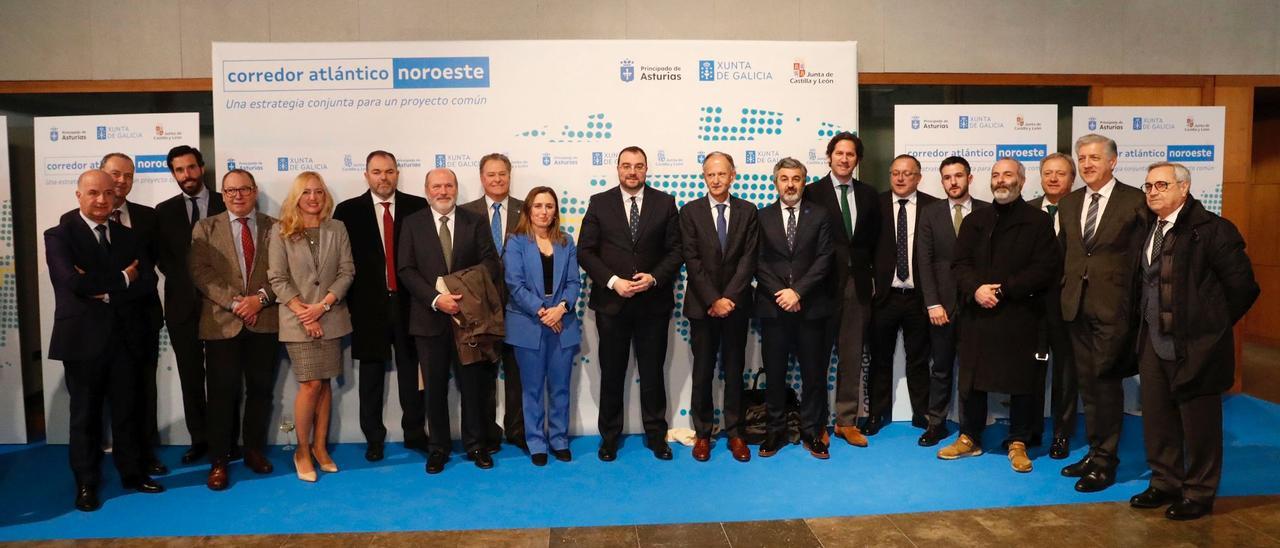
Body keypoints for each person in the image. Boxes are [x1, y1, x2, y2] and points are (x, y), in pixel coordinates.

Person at [1127, 162, 1258, 520]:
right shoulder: (1147, 230)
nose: (1153, 192)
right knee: (1157, 417)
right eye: (1149, 186)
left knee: (1198, 423)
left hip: (1197, 346)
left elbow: (1243, 288)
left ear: (1184, 189)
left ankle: (1199, 492)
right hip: (1152, 342)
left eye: (1162, 185)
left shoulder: (1213, 230)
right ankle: (1165, 481)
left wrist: (1210, 326)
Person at [46, 169, 165, 511]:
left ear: (115, 197)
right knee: (85, 416)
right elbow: (71, 282)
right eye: (93, 193)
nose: (101, 199)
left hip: (125, 337)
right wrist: (121, 279)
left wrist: (107, 288)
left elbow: (146, 283)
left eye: (108, 193)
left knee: (127, 411)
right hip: (82, 341)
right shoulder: (59, 235)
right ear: (79, 195)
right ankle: (86, 483)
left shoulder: (128, 236)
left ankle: (133, 473)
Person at [938, 158, 1059, 473]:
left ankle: (1018, 441)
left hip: (1020, 315)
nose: (1000, 180)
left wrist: (1003, 290)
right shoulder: (975, 220)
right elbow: (959, 264)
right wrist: (977, 289)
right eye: (995, 175)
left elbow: (1044, 268)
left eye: (1007, 174)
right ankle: (969, 436)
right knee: (972, 380)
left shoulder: (1039, 221)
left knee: (1022, 381)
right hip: (978, 314)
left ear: (1020, 179)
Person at [578, 145, 683, 462]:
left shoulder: (665, 203)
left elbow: (676, 251)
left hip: (653, 304)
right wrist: (613, 281)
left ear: (647, 169)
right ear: (618, 169)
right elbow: (585, 251)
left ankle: (656, 436)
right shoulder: (600, 203)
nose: (632, 171)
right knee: (611, 374)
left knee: (653, 374)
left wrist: (653, 278)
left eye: (638, 166)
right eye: (626, 165)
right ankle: (609, 438)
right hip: (612, 305)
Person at [1058, 133, 1150, 492]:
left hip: (1114, 309)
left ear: (1113, 161)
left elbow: (1145, 259)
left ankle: (1106, 461)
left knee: (1108, 386)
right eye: (1082, 158)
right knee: (1088, 386)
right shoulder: (1069, 203)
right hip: (1075, 307)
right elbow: (1067, 253)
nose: (1087, 164)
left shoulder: (1135, 201)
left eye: (1095, 157)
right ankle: (1096, 450)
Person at [398, 168, 502, 474]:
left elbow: (490, 264)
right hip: (429, 319)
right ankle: (438, 448)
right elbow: (406, 269)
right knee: (434, 389)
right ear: (427, 190)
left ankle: (476, 445)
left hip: (468, 322)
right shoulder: (413, 223)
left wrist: (462, 295)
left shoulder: (475, 221)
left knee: (473, 386)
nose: (443, 191)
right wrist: (436, 298)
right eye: (437, 186)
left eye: (448, 185)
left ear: (456, 188)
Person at [333, 150, 430, 462]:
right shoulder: (347, 211)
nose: (383, 177)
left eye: (389, 171)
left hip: (410, 306)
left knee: (411, 376)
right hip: (367, 309)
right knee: (371, 380)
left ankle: (415, 434)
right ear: (366, 175)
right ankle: (373, 439)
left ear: (397, 174)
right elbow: (340, 262)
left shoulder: (417, 207)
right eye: (377, 172)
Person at [189, 169, 280, 491]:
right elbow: (201, 273)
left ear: (254, 191)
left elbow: (282, 273)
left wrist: (259, 300)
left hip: (265, 322)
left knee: (260, 391)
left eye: (243, 189)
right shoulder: (205, 227)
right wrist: (236, 303)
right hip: (221, 324)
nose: (237, 196)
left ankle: (253, 450)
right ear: (223, 195)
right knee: (221, 395)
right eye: (230, 191)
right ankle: (219, 460)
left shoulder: (275, 228)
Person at [268, 172, 355, 481]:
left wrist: (323, 306)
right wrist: (305, 312)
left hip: (331, 315)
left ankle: (320, 447)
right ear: (296, 197)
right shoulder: (281, 231)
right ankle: (301, 451)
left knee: (326, 382)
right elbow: (277, 278)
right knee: (310, 384)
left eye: (319, 192)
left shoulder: (337, 228)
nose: (314, 197)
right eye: (306, 192)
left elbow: (347, 271)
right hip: (297, 320)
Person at [680, 152, 758, 462]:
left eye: (721, 174)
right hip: (703, 307)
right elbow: (692, 260)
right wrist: (714, 299)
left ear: (733, 175)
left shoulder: (748, 211)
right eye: (710, 175)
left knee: (735, 371)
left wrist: (729, 299)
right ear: (704, 177)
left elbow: (748, 260)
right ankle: (703, 433)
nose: (716, 180)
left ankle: (735, 432)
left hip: (736, 307)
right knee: (702, 372)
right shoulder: (690, 212)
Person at [803, 132, 879, 448]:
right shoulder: (811, 192)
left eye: (850, 154)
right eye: (839, 153)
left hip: (857, 285)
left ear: (857, 159)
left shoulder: (869, 194)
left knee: (851, 356)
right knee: (817, 357)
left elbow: (874, 241)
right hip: (821, 286)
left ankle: (846, 421)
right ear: (829, 157)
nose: (844, 159)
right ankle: (816, 422)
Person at [755, 158, 835, 460]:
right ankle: (774, 432)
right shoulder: (761, 217)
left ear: (804, 181)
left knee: (814, 376)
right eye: (785, 178)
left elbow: (825, 258)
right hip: (774, 309)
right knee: (774, 375)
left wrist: (798, 291)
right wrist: (783, 293)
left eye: (796, 178)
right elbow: (757, 261)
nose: (790, 184)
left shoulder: (821, 215)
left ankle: (812, 433)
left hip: (811, 308)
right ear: (775, 182)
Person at [154, 145, 226, 464]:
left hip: (223, 306)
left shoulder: (227, 202)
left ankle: (225, 439)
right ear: (173, 173)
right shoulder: (163, 210)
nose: (187, 175)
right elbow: (162, 259)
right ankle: (200, 440)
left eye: (191, 168)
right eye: (179, 170)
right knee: (191, 376)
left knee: (224, 375)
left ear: (202, 168)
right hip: (182, 308)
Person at [503, 187, 582, 466]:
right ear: (528, 210)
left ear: (555, 211)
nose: (544, 211)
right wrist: (542, 311)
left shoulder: (566, 242)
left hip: (562, 323)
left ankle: (559, 438)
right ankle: (535, 441)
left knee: (560, 387)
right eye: (538, 206)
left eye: (549, 206)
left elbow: (574, 283)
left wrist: (560, 309)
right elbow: (514, 283)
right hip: (528, 324)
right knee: (532, 388)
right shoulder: (515, 242)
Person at [101, 153, 167, 475]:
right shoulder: (78, 220)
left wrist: (120, 287)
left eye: (128, 175)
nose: (121, 180)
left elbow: (149, 270)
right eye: (115, 173)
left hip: (142, 318)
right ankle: (107, 454)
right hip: (99, 322)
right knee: (104, 392)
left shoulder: (147, 217)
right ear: (101, 174)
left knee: (144, 390)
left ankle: (144, 453)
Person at [916, 156, 989, 447]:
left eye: (958, 176)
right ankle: (936, 423)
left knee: (974, 370)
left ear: (969, 178)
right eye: (947, 177)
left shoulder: (986, 211)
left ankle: (970, 430)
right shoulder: (930, 213)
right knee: (941, 367)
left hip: (978, 305)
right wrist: (932, 303)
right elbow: (924, 260)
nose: (953, 182)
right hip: (942, 307)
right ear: (942, 181)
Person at [868, 154, 939, 434]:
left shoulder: (933, 207)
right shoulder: (875, 204)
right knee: (879, 359)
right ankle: (876, 414)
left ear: (918, 177)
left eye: (907, 173)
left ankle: (922, 413)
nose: (899, 178)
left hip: (919, 297)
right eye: (895, 172)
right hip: (884, 297)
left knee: (919, 359)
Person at [460, 153, 526, 451]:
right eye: (491, 175)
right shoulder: (465, 212)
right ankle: (486, 432)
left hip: (519, 306)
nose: (497, 179)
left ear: (510, 176)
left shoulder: (527, 210)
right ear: (481, 177)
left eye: (502, 174)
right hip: (480, 307)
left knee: (518, 372)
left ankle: (517, 429)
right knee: (483, 374)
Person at [1029, 152, 1078, 459]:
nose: (1054, 178)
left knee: (1065, 373)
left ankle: (1061, 434)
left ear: (1072, 178)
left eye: (1061, 173)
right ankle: (1030, 430)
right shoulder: (1028, 210)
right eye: (1048, 172)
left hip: (1068, 305)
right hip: (1032, 306)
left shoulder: (1081, 209)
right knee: (1031, 370)